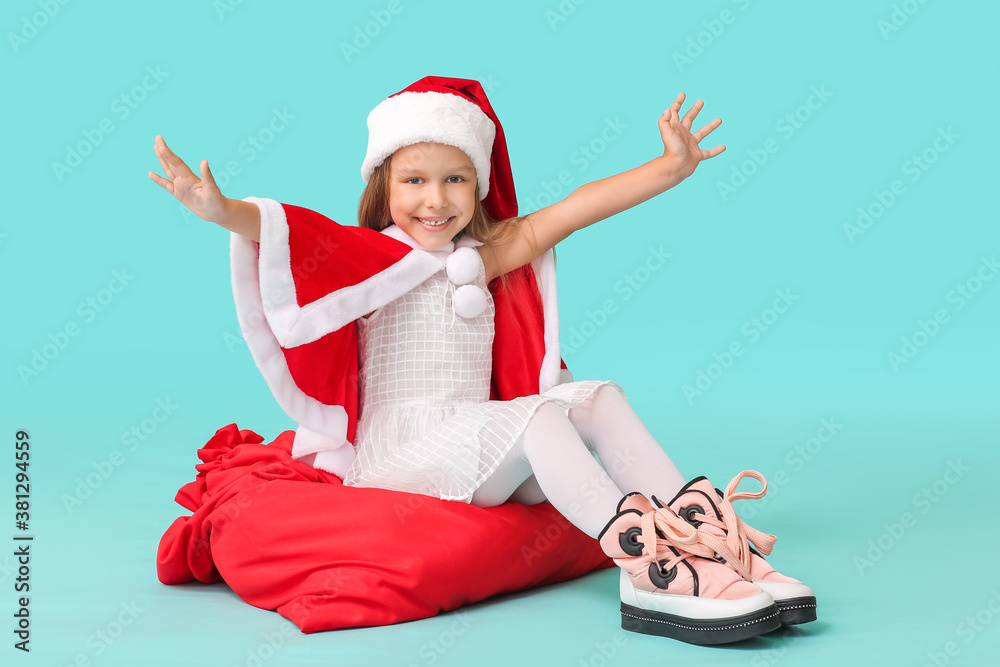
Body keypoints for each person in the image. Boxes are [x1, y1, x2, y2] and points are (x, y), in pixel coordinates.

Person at [148, 76, 815, 645]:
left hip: (471, 441)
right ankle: (648, 570)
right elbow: (293, 234)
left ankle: (704, 540)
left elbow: (573, 211)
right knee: (538, 422)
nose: (434, 200)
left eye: (454, 179)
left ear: (478, 184)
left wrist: (667, 168)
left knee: (597, 397)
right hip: (402, 450)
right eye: (414, 180)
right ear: (384, 186)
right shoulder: (371, 258)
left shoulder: (485, 254)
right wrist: (224, 210)